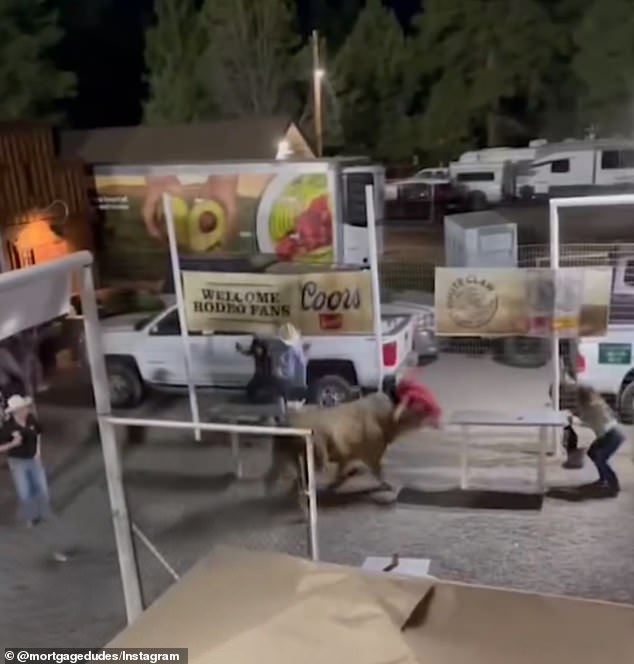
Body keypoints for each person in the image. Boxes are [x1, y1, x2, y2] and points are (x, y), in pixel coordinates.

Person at [574, 384, 625, 496]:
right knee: (592, 452)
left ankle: (613, 486)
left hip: (612, 436)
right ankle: (603, 479)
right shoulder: (595, 403)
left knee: (600, 458)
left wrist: (573, 419)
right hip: (609, 435)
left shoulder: (593, 407)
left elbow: (585, 421)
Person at [270, 323, 308, 403]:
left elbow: (301, 364)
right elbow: (301, 363)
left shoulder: (277, 345)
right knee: (283, 396)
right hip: (285, 376)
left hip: (282, 376)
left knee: (280, 396)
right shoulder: (296, 347)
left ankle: (280, 409)